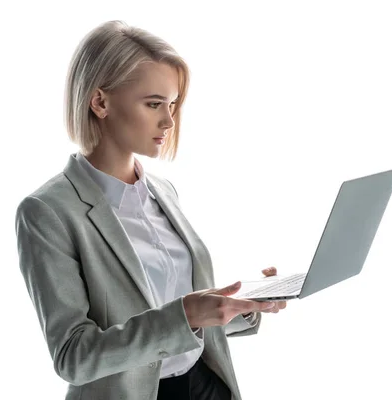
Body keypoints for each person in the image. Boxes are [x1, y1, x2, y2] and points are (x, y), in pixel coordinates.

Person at [15, 20, 287, 400]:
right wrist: (186, 315)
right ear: (100, 102)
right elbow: (73, 356)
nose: (169, 121)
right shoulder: (47, 212)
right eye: (154, 104)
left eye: (172, 104)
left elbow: (176, 322)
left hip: (205, 386)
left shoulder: (163, 192)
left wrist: (240, 304)